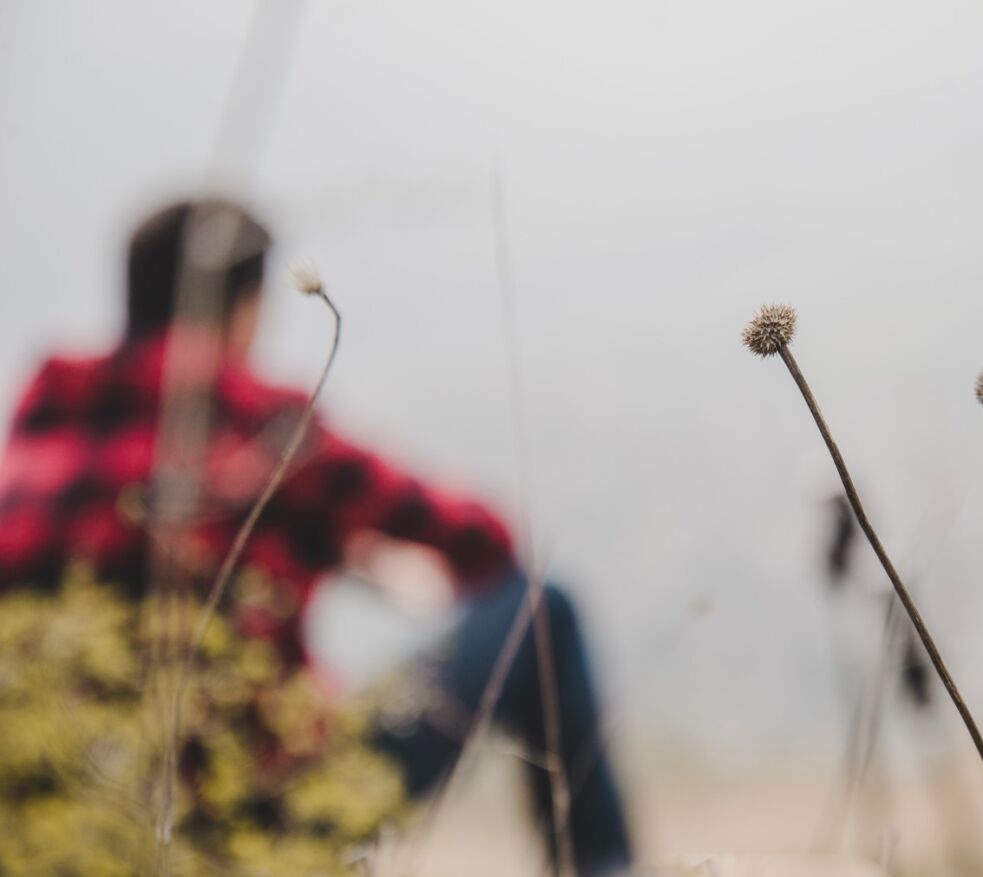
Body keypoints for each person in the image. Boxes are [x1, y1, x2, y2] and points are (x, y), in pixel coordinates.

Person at [0, 197, 631, 875]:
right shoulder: (265, 427)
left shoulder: (41, 427)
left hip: (79, 819)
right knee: (541, 609)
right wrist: (360, 553)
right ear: (244, 304)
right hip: (265, 819)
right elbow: (484, 536)